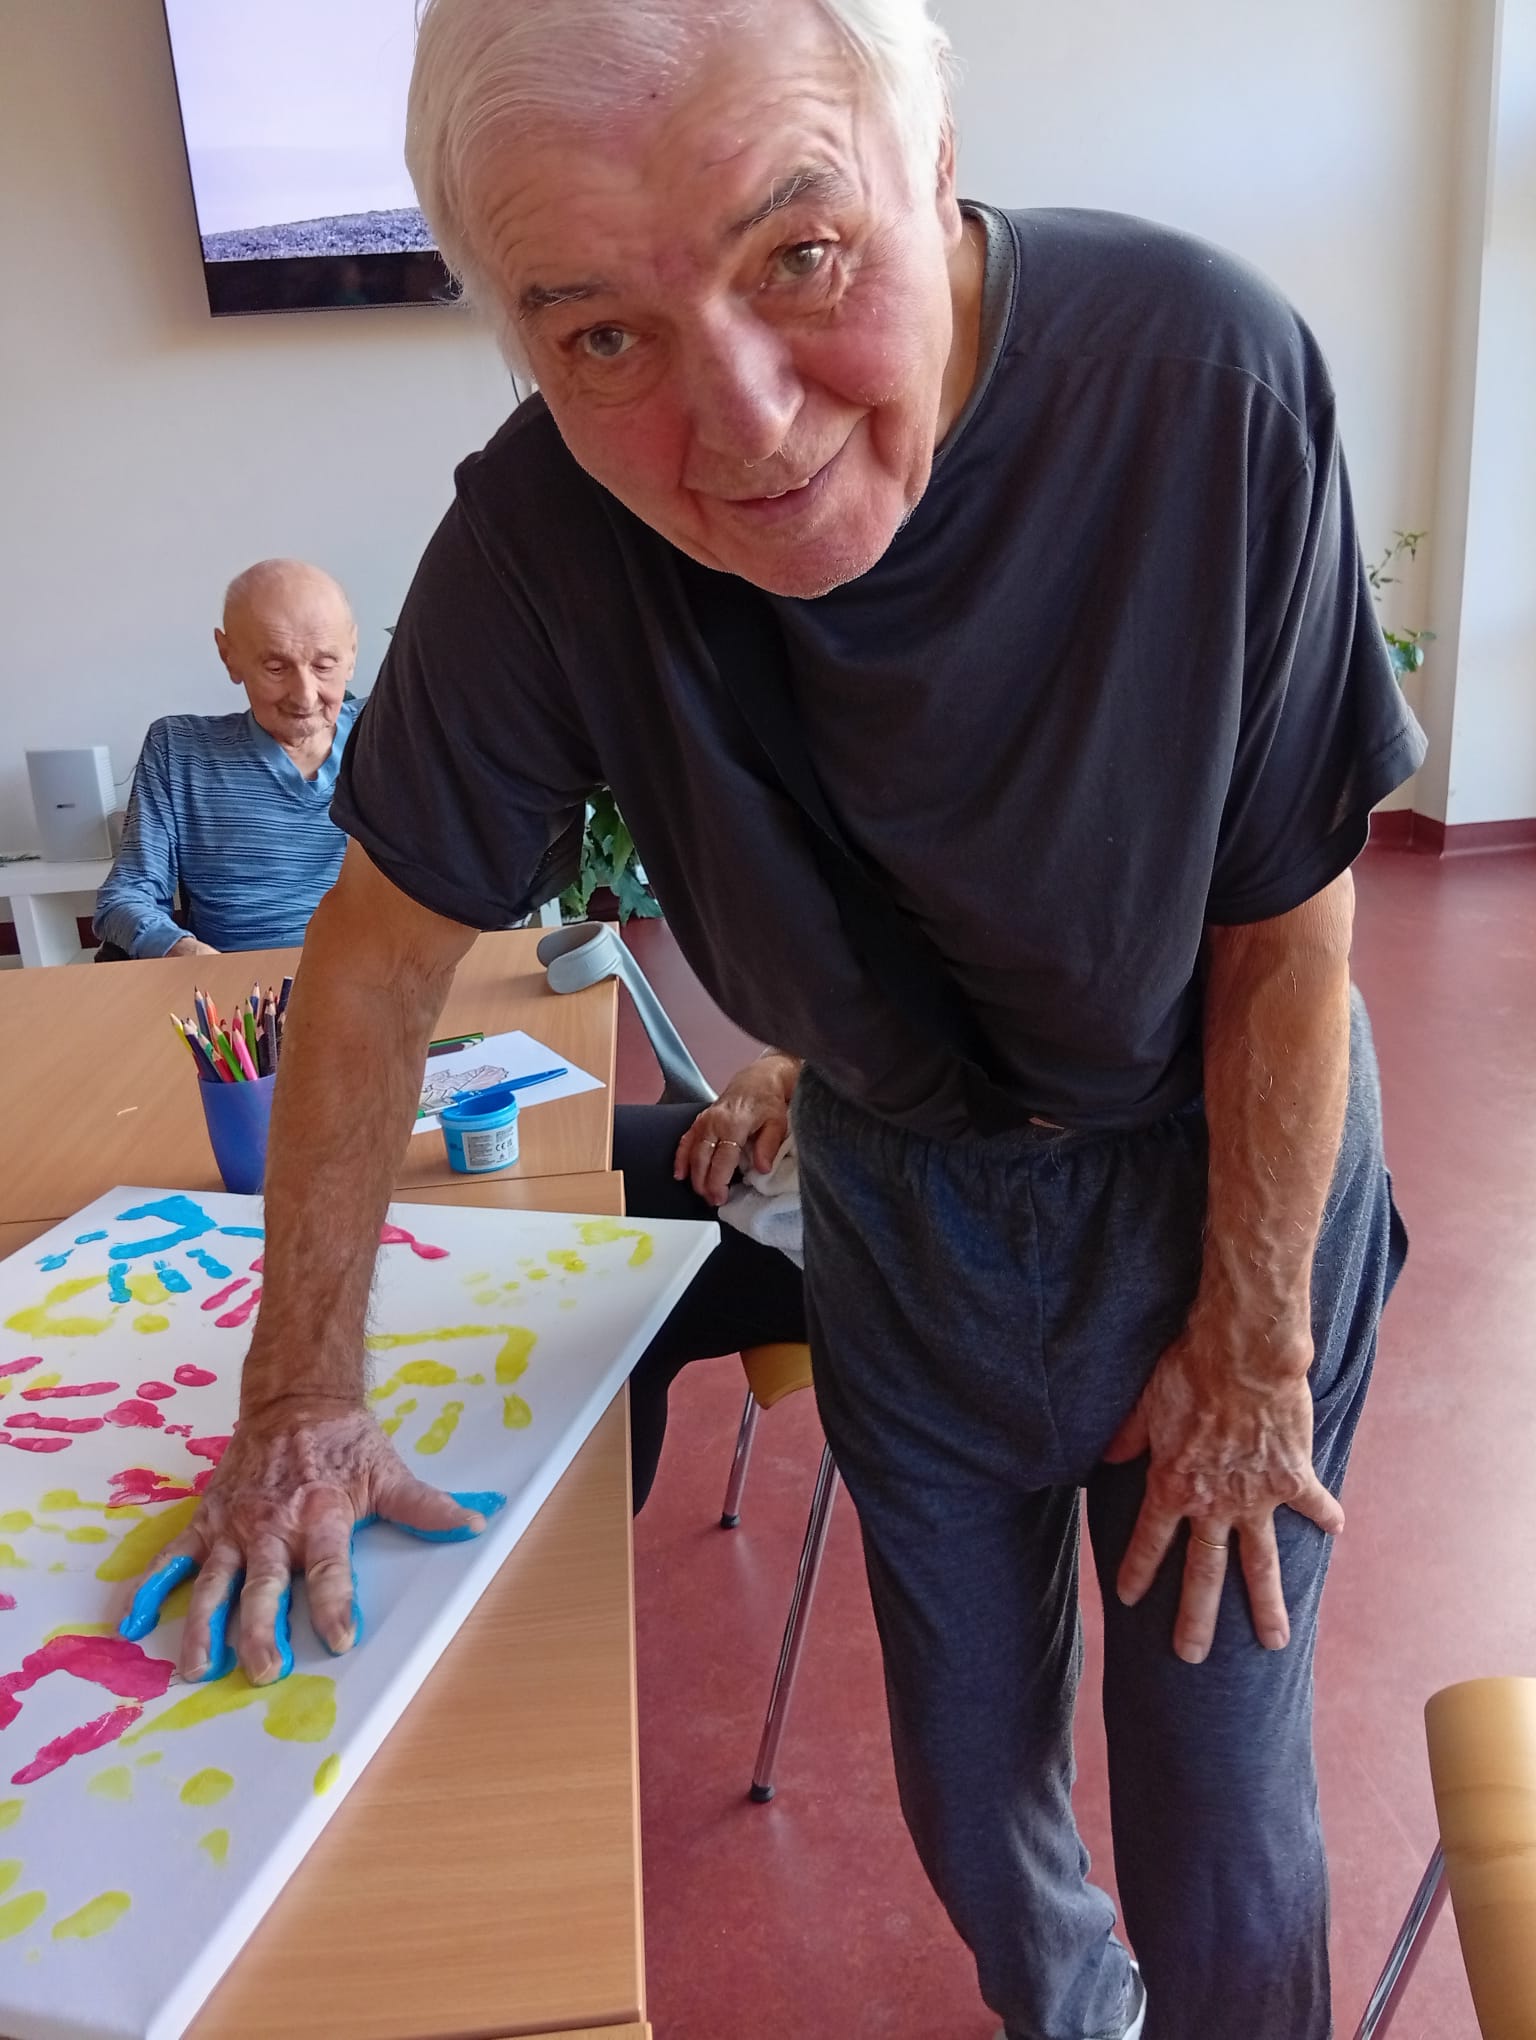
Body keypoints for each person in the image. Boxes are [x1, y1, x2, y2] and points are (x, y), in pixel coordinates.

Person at [138, 5, 1427, 2036]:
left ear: (935, 165)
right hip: (902, 1189)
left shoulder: (1200, 381)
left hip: (1222, 1156)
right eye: (601, 336)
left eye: (800, 254)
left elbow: (1287, 936)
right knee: (964, 1770)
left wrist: (1249, 1346)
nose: (740, 425)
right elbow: (376, 961)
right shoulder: (543, 540)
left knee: (1216, 1783)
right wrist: (298, 1398)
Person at [93, 560, 361, 959]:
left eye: (324, 666)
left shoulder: (391, 737)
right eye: (276, 668)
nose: (305, 695)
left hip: (375, 980)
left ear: (352, 652)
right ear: (228, 655)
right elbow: (126, 895)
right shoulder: (180, 749)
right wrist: (181, 950)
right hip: (235, 988)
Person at [617, 1050, 807, 1512]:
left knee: (620, 1313)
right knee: (581, 1159)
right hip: (806, 1157)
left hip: (887, 1254)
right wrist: (776, 1070)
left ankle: (579, 1544)